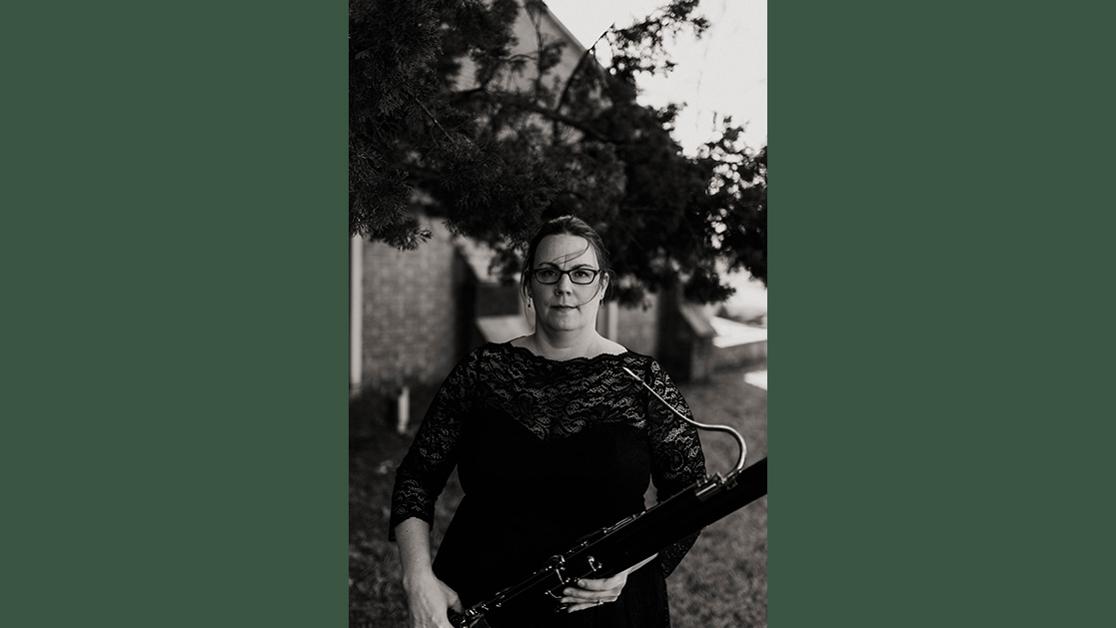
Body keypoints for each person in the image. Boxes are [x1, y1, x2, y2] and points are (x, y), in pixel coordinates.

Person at [390, 215, 706, 628]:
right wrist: (417, 579)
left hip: (607, 611)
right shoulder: (482, 372)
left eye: (581, 272)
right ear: (528, 285)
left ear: (602, 285)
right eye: (548, 272)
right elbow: (416, 479)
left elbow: (688, 497)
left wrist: (629, 564)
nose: (564, 286)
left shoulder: (643, 382)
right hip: (479, 599)